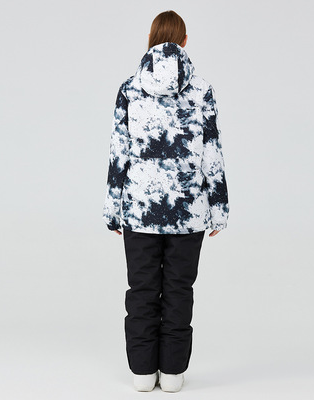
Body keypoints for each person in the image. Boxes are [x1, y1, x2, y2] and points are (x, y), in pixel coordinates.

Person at [102, 10, 229, 392]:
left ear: (150, 39)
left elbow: (119, 152)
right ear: (184, 41)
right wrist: (219, 210)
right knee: (178, 290)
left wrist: (112, 209)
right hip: (188, 211)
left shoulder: (129, 88)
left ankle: (142, 373)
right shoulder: (202, 89)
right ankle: (172, 373)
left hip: (140, 209)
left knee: (142, 290)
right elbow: (212, 152)